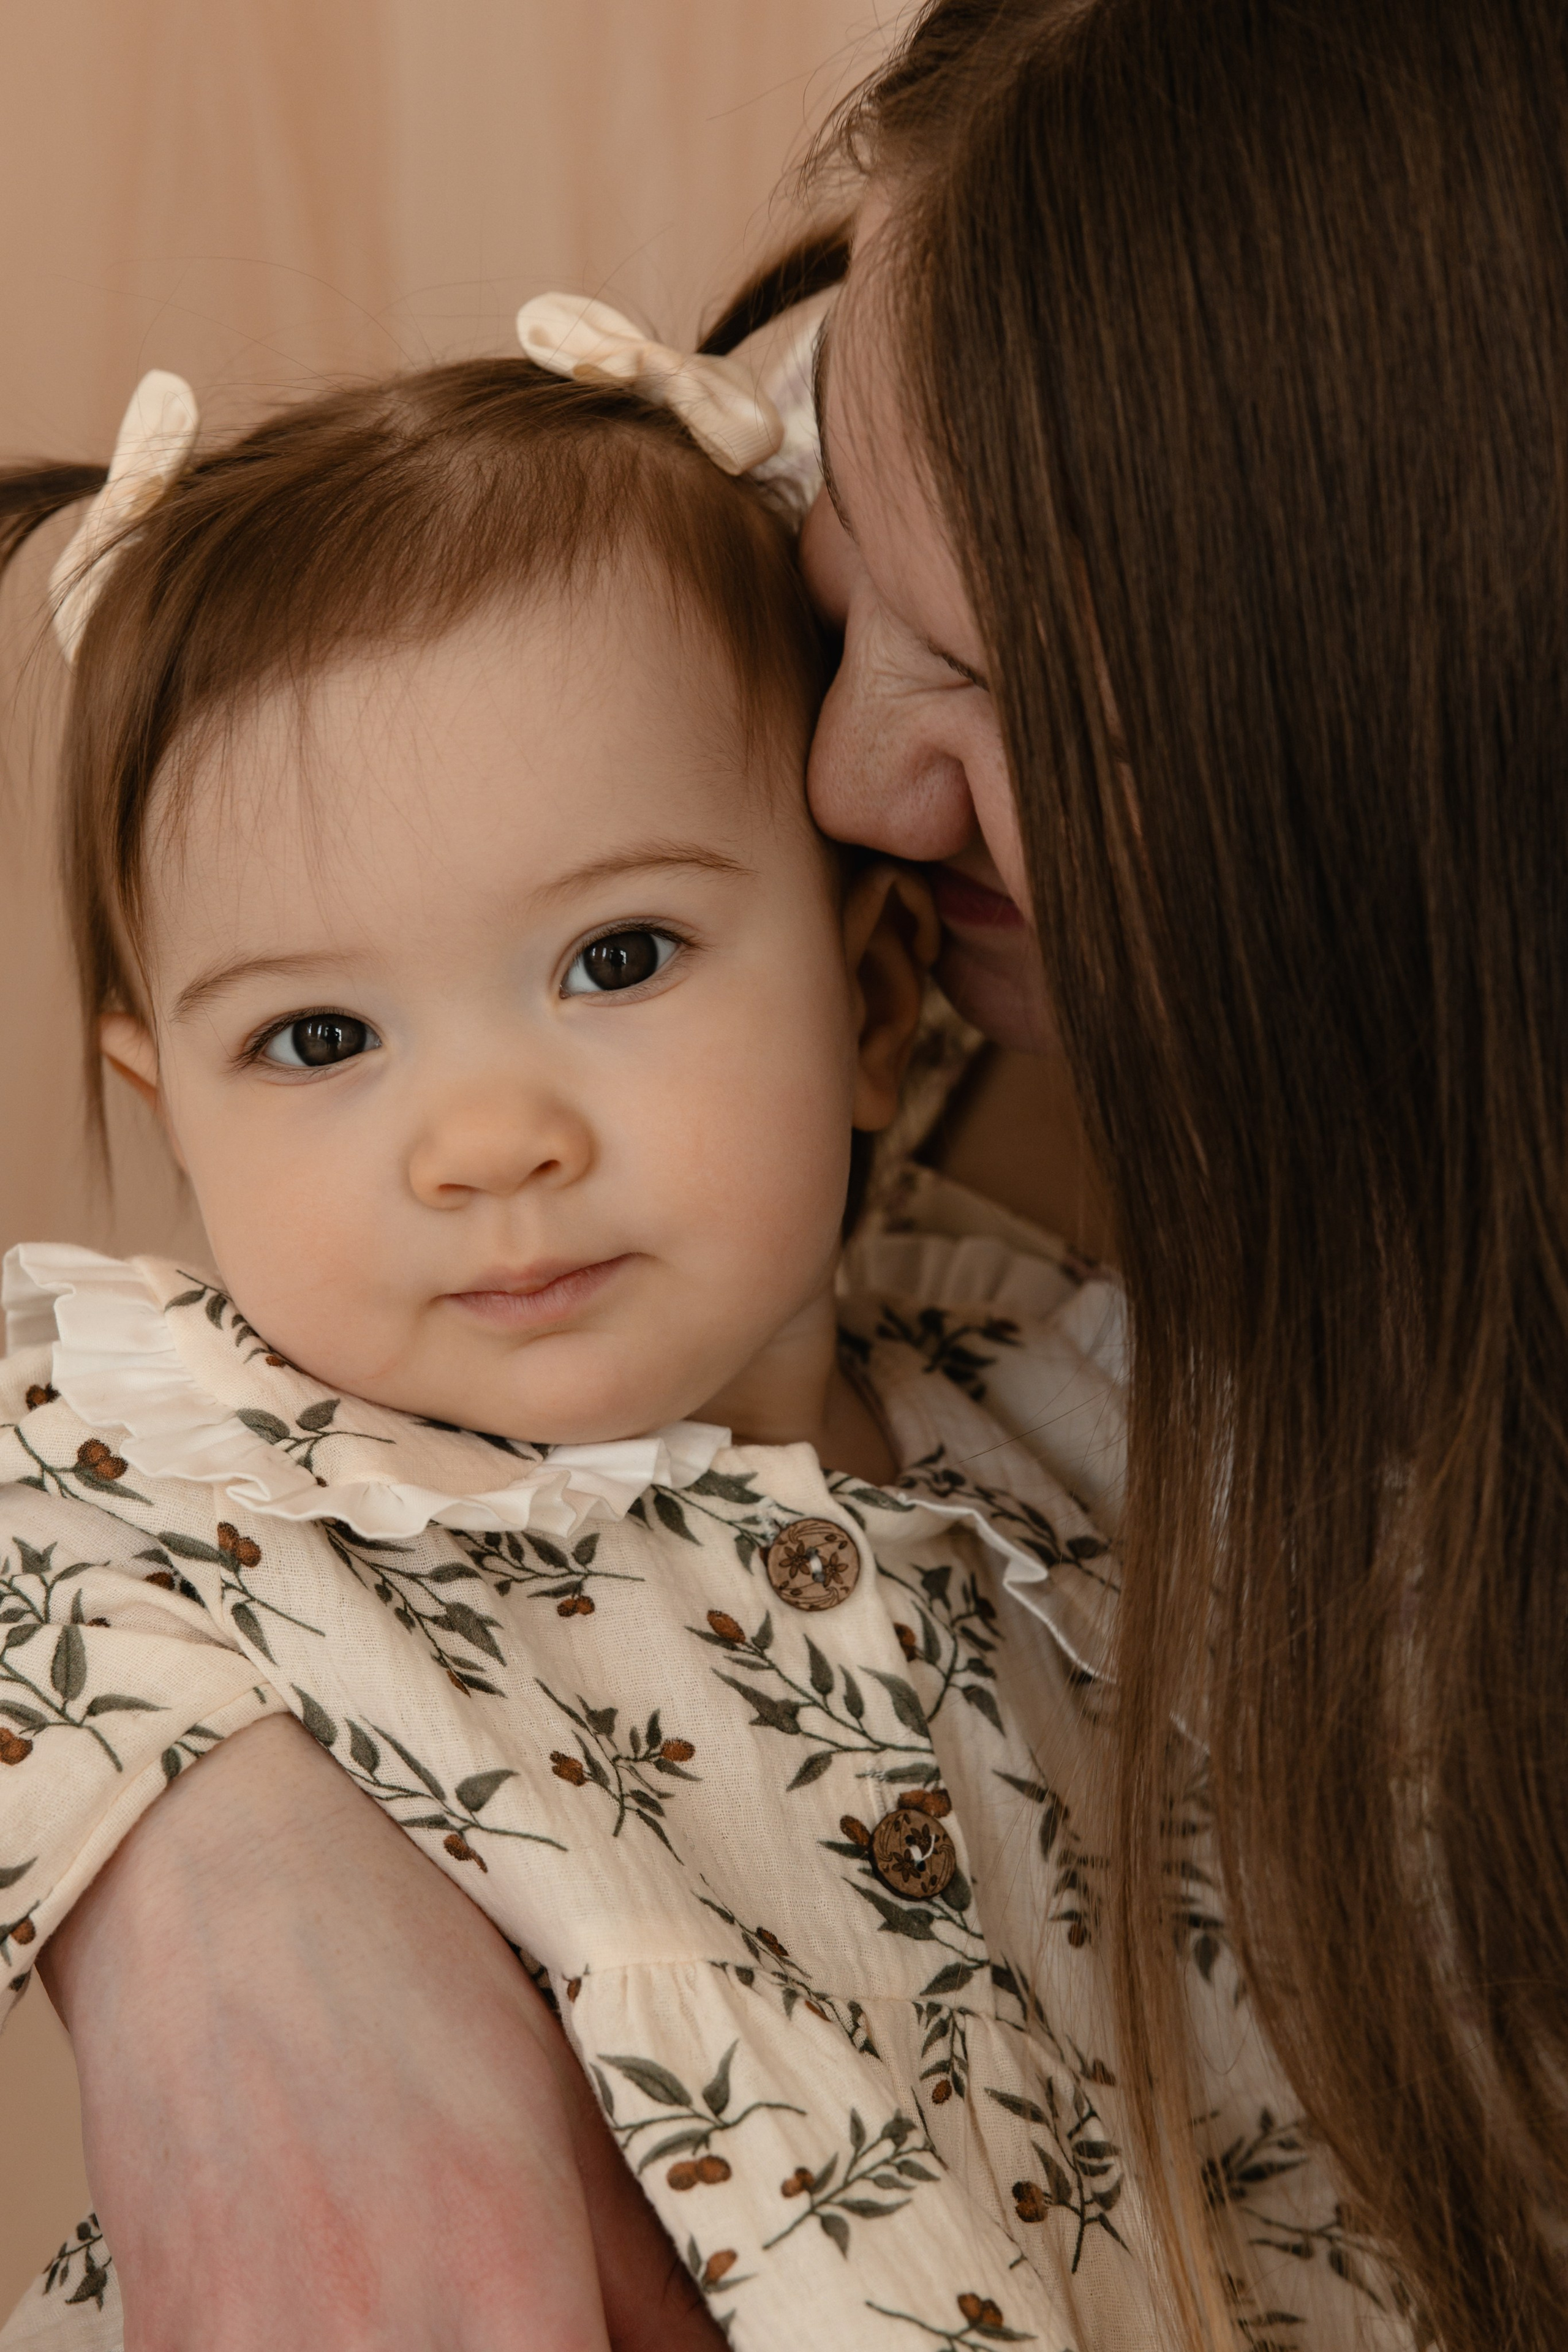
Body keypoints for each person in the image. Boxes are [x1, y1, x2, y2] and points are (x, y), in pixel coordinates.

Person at [12, 0, 1564, 2343]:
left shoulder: (1092, 1417)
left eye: (983, 672)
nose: (854, 772)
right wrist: (177, 1835)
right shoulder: (202, 1437)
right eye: (316, 1037)